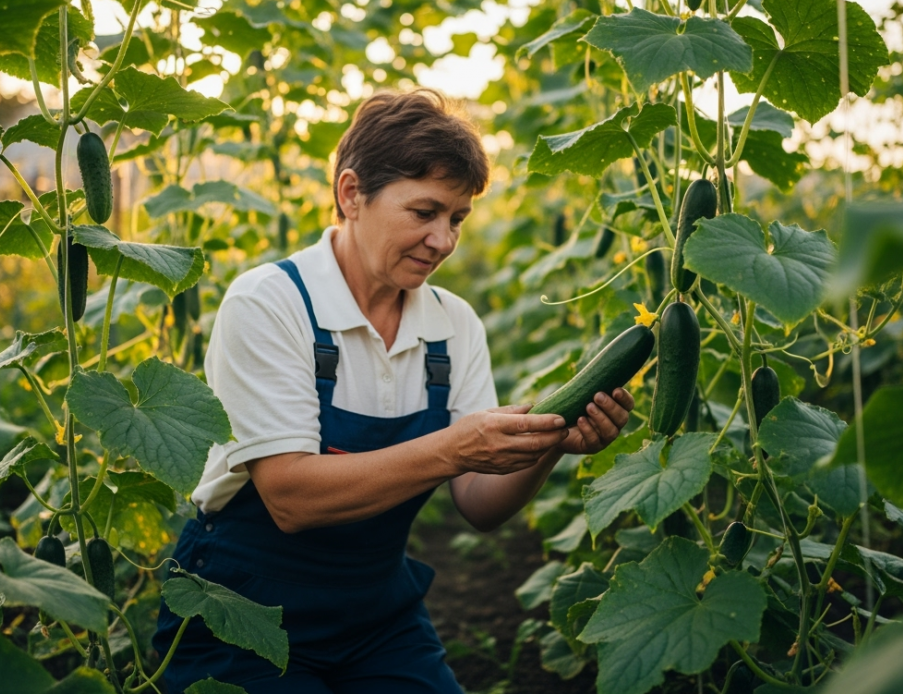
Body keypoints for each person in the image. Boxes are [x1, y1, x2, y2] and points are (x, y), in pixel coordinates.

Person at [153, 89, 634, 693]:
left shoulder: (453, 324)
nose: (444, 241)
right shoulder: (269, 303)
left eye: (457, 219)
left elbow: (480, 504)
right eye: (424, 212)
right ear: (351, 194)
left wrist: (550, 443)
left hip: (377, 613)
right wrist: (454, 447)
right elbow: (290, 499)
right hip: (239, 611)